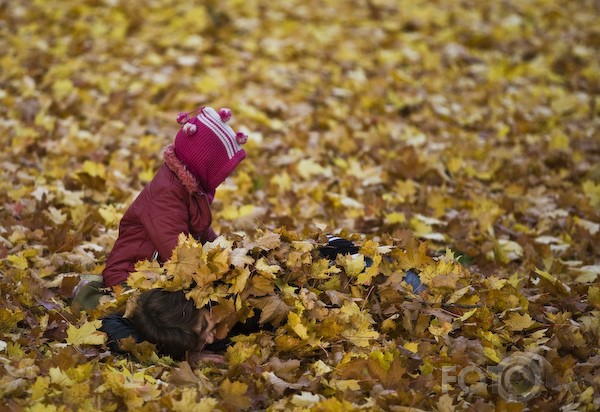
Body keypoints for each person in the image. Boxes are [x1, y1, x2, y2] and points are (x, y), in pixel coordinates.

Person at [99, 237, 423, 360]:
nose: (213, 337)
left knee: (417, 291)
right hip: (340, 313)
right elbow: (111, 326)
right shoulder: (186, 336)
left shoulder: (233, 280)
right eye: (204, 340)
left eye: (206, 326)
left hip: (342, 269)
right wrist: (189, 357)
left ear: (198, 301)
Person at [73, 106, 249, 309]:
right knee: (185, 308)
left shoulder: (191, 189)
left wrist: (223, 251)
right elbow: (175, 249)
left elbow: (201, 231)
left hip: (160, 272)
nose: (224, 179)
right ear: (204, 164)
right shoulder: (167, 192)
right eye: (222, 173)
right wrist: (213, 273)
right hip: (131, 275)